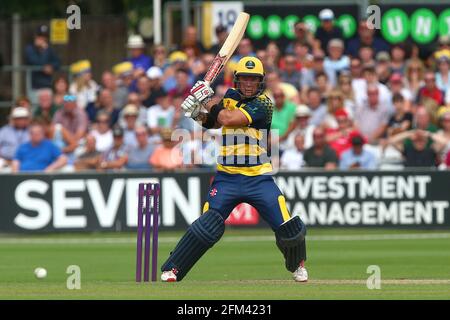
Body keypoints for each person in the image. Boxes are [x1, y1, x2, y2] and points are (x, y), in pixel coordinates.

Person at [164, 56, 308, 283]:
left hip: (258, 178)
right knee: (206, 226)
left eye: (254, 79)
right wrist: (197, 113)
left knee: (288, 228)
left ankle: (296, 264)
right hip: (227, 177)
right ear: (237, 80)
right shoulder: (230, 97)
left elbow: (229, 118)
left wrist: (207, 97)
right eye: (244, 79)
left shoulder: (264, 104)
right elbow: (215, 122)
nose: (249, 84)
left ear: (261, 82)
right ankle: (173, 269)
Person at [25, 25, 60, 103]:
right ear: (36, 36)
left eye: (45, 36)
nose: (43, 39)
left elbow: (57, 62)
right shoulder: (30, 48)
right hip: (34, 86)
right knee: (35, 109)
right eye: (40, 36)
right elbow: (34, 61)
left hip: (47, 85)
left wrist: (51, 67)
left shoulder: (49, 49)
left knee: (47, 108)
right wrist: (43, 66)